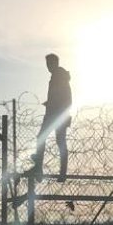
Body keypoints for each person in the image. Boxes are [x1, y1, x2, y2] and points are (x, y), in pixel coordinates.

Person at [32, 53, 72, 182]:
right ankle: (42, 167)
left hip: (56, 115)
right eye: (47, 64)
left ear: (55, 63)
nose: (48, 66)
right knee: (57, 141)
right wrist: (50, 103)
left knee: (55, 141)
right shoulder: (57, 77)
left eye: (50, 64)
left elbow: (65, 98)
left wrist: (58, 110)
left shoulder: (59, 76)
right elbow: (60, 97)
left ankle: (41, 168)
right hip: (54, 114)